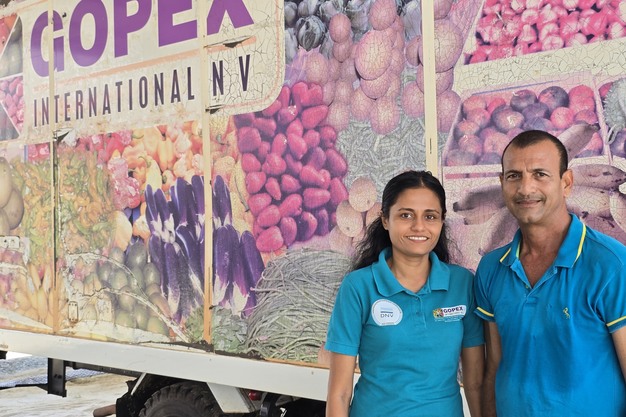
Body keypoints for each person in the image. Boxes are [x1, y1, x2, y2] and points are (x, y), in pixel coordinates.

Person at [474, 130, 626, 416]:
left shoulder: (612, 264)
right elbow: (494, 367)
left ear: (566, 183)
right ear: (502, 183)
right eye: (514, 176)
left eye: (540, 174)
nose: (525, 188)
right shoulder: (491, 267)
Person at [325, 170, 484, 417]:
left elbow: (475, 384)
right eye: (405, 215)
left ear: (442, 221)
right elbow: (340, 394)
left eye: (430, 216)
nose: (419, 226)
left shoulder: (462, 284)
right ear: (385, 219)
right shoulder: (358, 287)